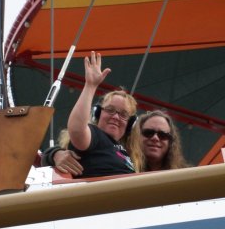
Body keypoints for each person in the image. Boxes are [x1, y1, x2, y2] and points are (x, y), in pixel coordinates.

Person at [60, 51, 142, 178]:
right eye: (110, 110)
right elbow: (76, 130)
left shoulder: (126, 151)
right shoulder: (95, 136)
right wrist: (90, 86)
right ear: (98, 113)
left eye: (123, 114)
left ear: (130, 123)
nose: (115, 117)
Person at [42, 109, 188, 175]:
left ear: (171, 142)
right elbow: (83, 146)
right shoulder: (119, 159)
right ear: (136, 136)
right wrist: (55, 154)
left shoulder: (185, 175)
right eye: (148, 133)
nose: (155, 138)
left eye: (163, 135)